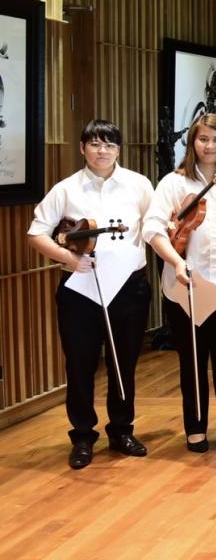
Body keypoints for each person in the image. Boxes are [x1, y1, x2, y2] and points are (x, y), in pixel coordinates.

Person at [27, 120, 154, 469]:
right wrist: (69, 258)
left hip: (129, 287)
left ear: (119, 149)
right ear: (82, 148)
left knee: (123, 362)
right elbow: (37, 234)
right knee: (80, 363)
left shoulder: (139, 184)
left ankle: (122, 430)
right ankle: (82, 436)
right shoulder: (66, 189)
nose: (102, 151)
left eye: (109, 145)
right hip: (80, 290)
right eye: (95, 144)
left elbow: (155, 227)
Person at [144, 114, 216, 453]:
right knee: (192, 360)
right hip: (186, 285)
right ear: (192, 142)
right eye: (203, 139)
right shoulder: (174, 183)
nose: (210, 146)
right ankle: (195, 425)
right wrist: (176, 262)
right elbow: (152, 228)